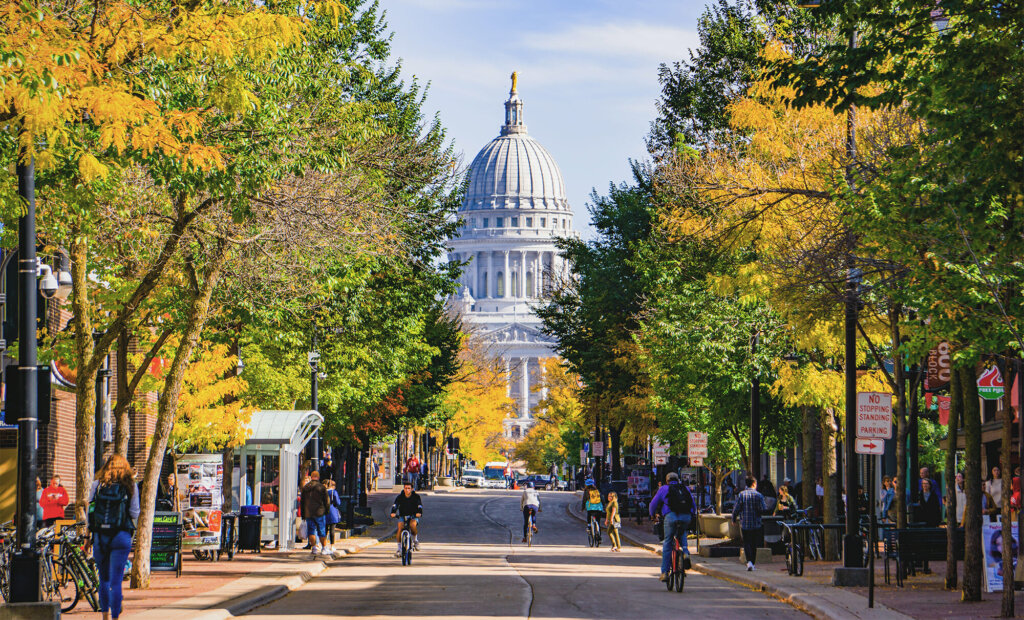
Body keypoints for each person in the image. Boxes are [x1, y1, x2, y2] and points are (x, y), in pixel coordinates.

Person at [89, 455, 139, 620]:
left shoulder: (97, 485)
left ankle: (104, 616)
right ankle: (115, 617)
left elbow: (89, 509)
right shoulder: (130, 486)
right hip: (121, 534)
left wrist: (89, 534)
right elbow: (134, 512)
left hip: (100, 536)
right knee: (116, 581)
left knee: (103, 579)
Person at [649, 472, 695, 581]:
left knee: (668, 542)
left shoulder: (664, 489)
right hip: (685, 516)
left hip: (671, 516)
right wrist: (692, 515)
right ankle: (685, 552)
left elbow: (653, 504)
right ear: (678, 479)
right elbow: (692, 503)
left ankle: (664, 572)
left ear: (667, 480)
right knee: (682, 532)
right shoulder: (684, 488)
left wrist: (652, 515)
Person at [733, 476, 768, 572]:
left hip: (745, 523)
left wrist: (734, 519)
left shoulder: (741, 495)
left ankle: (749, 562)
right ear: (753, 484)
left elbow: (736, 508)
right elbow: (764, 509)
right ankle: (752, 562)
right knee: (754, 544)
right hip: (756, 523)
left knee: (747, 542)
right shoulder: (759, 495)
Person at [300, 471, 329, 557]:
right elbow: (327, 501)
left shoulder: (305, 488)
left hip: (309, 513)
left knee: (311, 531)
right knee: (322, 531)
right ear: (318, 477)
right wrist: (326, 511)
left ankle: (314, 548)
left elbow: (302, 502)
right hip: (319, 512)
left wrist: (303, 514)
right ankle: (324, 548)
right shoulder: (321, 487)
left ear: (311, 477)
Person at [391, 480, 423, 555]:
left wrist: (419, 513)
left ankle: (415, 540)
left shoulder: (416, 497)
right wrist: (393, 512)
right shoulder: (400, 497)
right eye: (405, 488)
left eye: (409, 488)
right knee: (400, 528)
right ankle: (399, 549)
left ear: (412, 489)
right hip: (402, 515)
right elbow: (395, 505)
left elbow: (419, 505)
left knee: (412, 525)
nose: (407, 490)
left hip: (413, 515)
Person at [325, 479, 342, 553]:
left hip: (324, 511)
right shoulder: (333, 492)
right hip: (332, 511)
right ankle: (332, 545)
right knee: (332, 529)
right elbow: (338, 502)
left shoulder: (323, 492)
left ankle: (324, 545)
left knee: (324, 530)